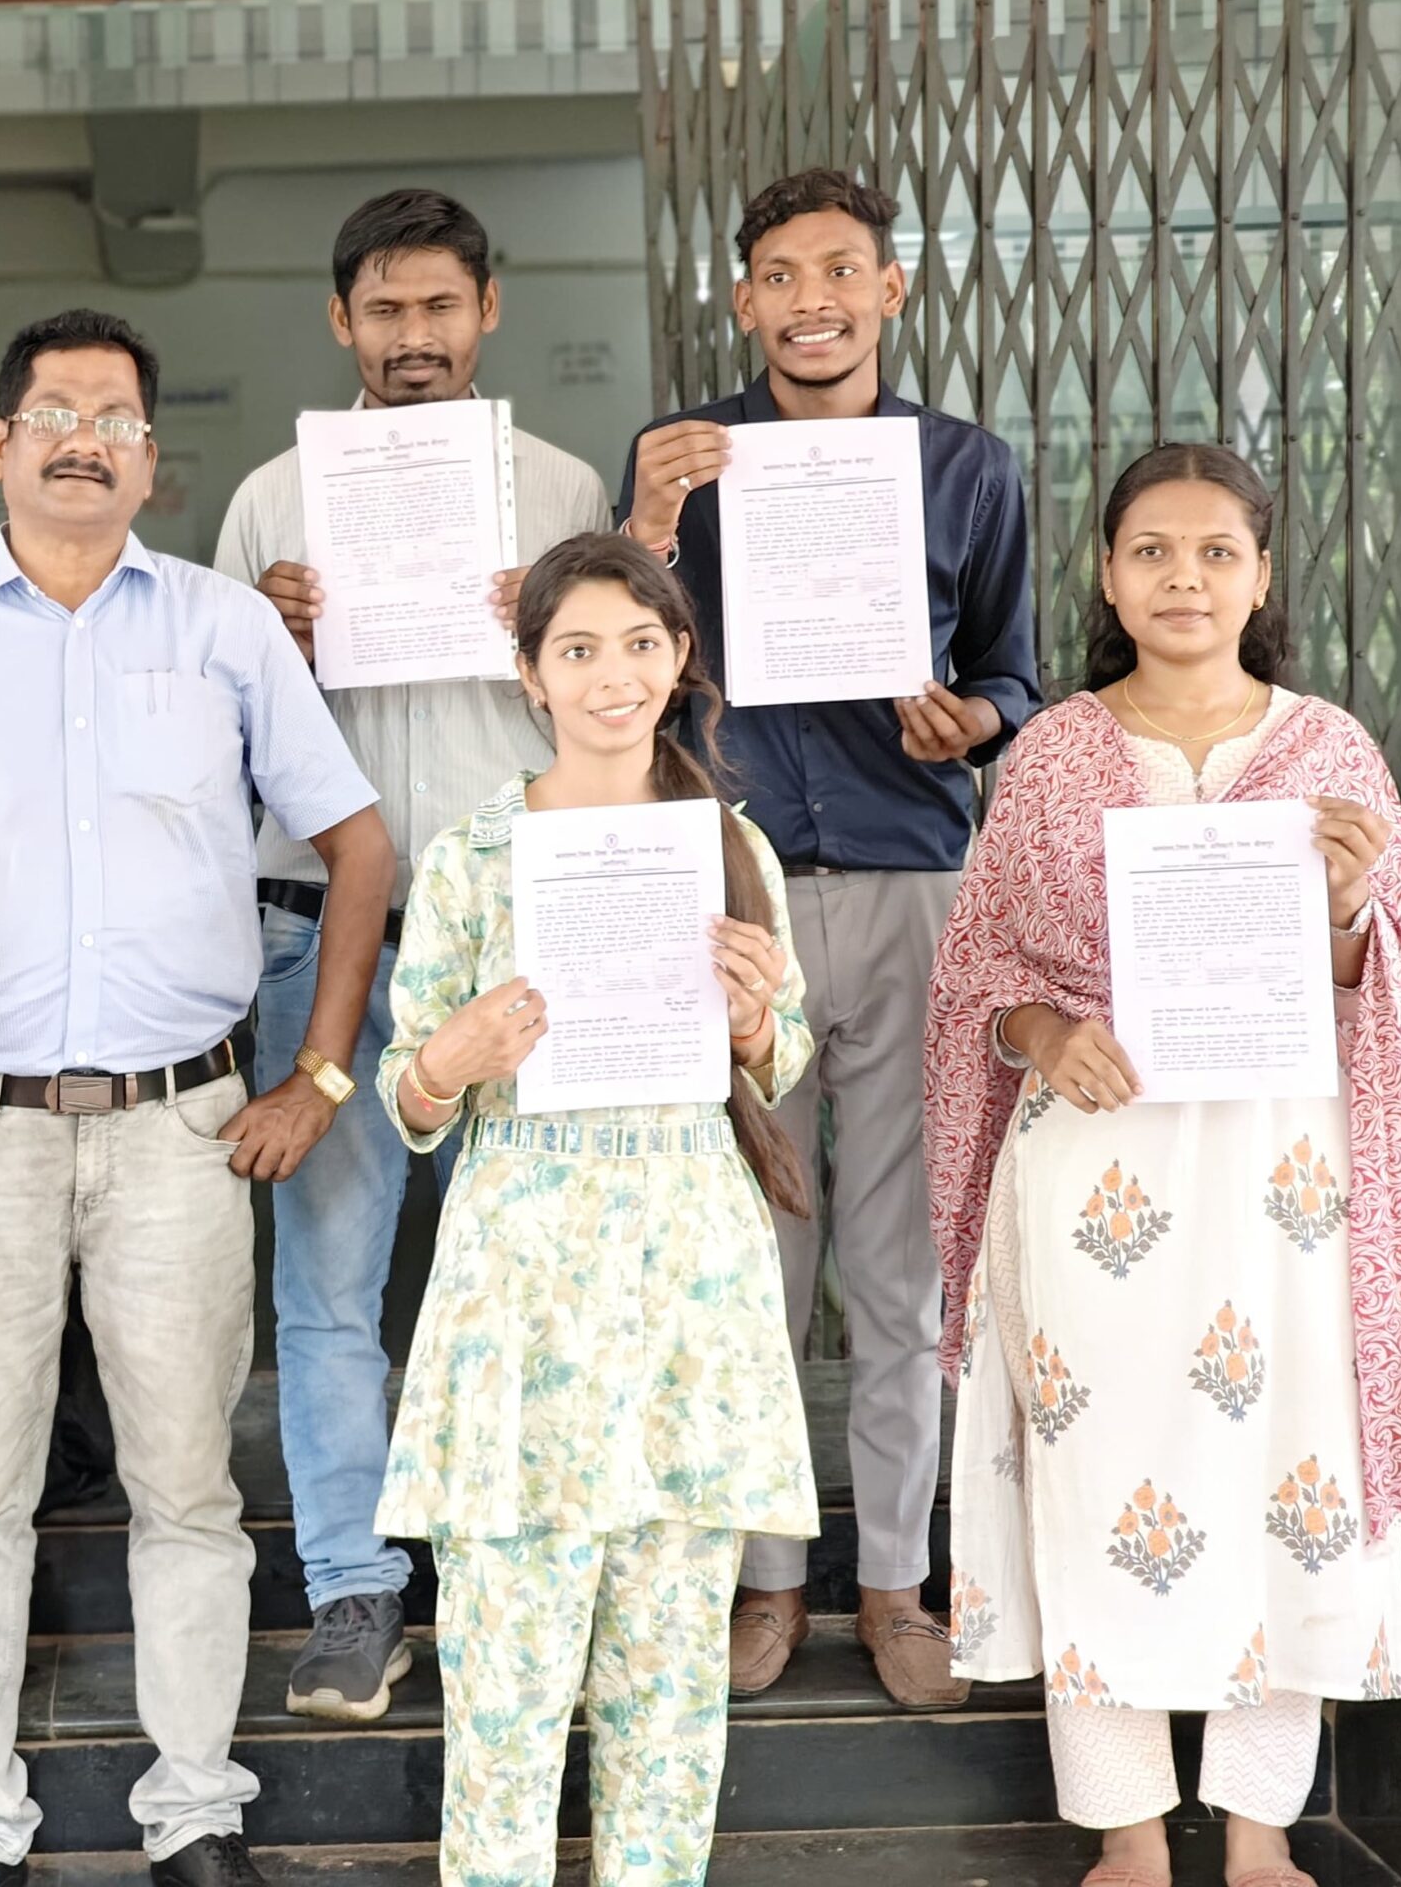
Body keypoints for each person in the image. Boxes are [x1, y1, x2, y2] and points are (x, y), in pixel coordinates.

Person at [0, 308, 392, 1887]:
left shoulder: (223, 632)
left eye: (114, 417)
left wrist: (320, 1072)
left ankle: (195, 1812)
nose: (83, 439)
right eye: (52, 413)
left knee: (186, 1487)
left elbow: (359, 848)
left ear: (151, 458)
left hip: (181, 1129)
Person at [928, 443, 1401, 1887]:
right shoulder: (1050, 753)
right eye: (1151, 550)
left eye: (1213, 553)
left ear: (1260, 577)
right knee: (1101, 1474)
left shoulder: (1332, 753)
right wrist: (1046, 1030)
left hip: (1283, 1180)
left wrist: (1345, 907)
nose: (1181, 578)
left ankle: (1260, 1832)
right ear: (1107, 574)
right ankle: (1127, 1833)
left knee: (1288, 1469)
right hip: (1098, 1166)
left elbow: (1371, 982)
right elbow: (978, 974)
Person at [614, 168, 1043, 1709]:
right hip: (729, 892)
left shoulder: (967, 468)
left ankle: (898, 1589)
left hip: (916, 880)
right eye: (782, 276)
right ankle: (768, 1584)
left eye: (842, 271)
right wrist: (644, 522)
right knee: (752, 1264)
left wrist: (974, 720)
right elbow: (618, 665)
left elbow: (1019, 677)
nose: (814, 300)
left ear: (889, 290)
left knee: (902, 1264)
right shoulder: (682, 461)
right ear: (744, 300)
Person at [213, 186, 610, 1722]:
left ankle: (516, 1575)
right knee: (327, 1287)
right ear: (341, 324)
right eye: (384, 310)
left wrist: (549, 640)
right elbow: (223, 750)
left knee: (525, 1278)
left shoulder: (562, 486)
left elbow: (613, 718)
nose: (414, 336)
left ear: (487, 311)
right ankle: (352, 1594)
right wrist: (268, 645)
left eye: (440, 305)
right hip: (320, 936)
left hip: (515, 939)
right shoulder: (271, 503)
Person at [376, 532, 818, 1884]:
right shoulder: (472, 856)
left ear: (678, 657)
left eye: (638, 643)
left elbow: (785, 1052)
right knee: (504, 1713)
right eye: (576, 649)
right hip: (524, 1299)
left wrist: (753, 1023)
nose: (610, 674)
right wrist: (451, 1059)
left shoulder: (732, 846)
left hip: (687, 1293)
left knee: (668, 1709)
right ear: (530, 675)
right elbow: (407, 1095)